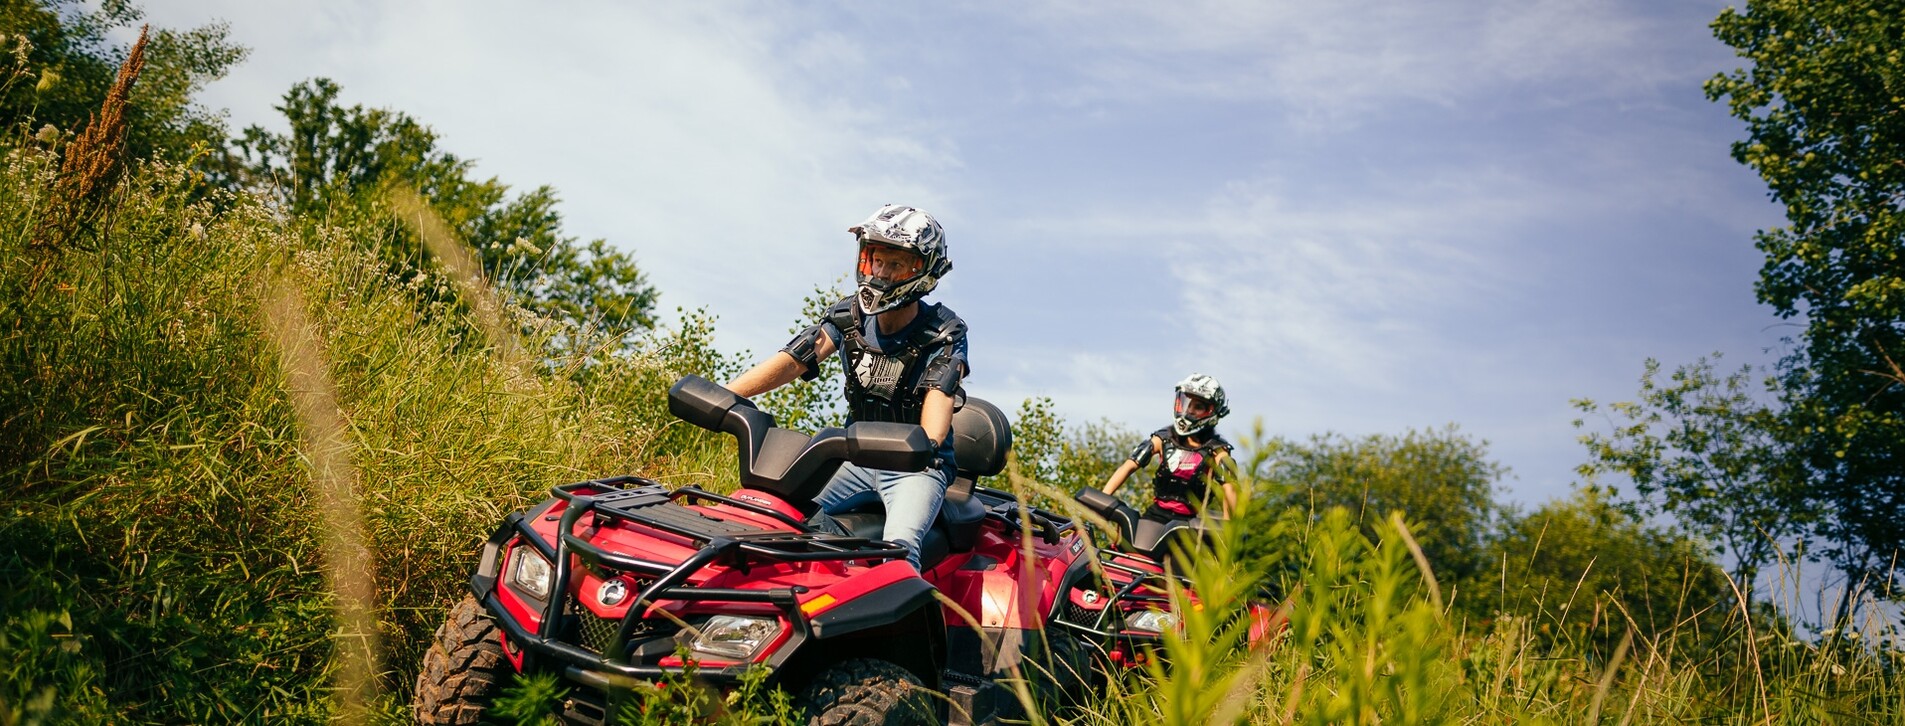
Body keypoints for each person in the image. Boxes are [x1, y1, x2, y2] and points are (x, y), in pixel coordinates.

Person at [726, 204, 967, 572]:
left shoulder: (943, 332)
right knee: (778, 514)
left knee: (898, 551)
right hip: (856, 458)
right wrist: (728, 395)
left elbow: (939, 398)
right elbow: (796, 359)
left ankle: (901, 623)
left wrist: (928, 445)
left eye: (896, 264)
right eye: (877, 261)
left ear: (923, 271)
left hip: (917, 468)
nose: (882, 273)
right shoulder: (848, 316)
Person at [1100, 373, 1239, 524]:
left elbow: (1229, 489)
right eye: (1186, 403)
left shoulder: (1217, 451)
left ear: (1212, 412)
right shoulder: (1163, 439)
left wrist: (1228, 529)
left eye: (1198, 406)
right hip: (1155, 518)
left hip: (1188, 526)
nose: (1190, 410)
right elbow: (1128, 467)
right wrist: (1101, 501)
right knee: (1121, 545)